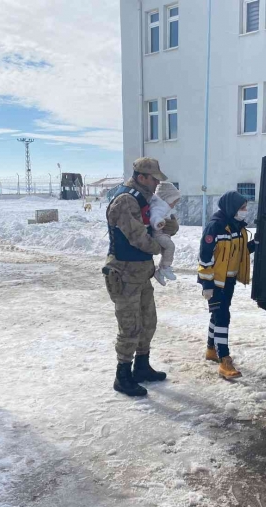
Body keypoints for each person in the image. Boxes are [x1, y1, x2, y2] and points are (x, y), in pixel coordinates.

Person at [104, 157, 179, 397]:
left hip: (141, 272)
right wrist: (161, 246)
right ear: (141, 176)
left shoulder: (148, 199)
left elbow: (171, 227)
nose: (157, 184)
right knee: (129, 326)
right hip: (124, 273)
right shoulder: (126, 200)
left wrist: (167, 222)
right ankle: (122, 375)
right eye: (154, 179)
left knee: (148, 322)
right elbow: (138, 238)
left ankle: (142, 366)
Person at [198, 192, 256, 380]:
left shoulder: (237, 227)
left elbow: (241, 251)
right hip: (214, 282)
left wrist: (255, 243)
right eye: (242, 208)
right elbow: (205, 257)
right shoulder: (215, 227)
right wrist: (207, 283)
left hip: (228, 280)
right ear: (232, 208)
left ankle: (210, 349)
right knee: (223, 316)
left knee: (218, 314)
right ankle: (224, 359)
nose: (245, 211)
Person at [149, 182, 182, 285]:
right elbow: (155, 216)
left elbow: (171, 218)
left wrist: (174, 224)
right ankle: (164, 268)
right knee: (170, 246)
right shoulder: (159, 206)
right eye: (173, 201)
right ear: (167, 198)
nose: (174, 205)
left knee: (167, 249)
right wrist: (159, 223)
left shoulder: (166, 207)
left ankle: (161, 271)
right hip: (158, 233)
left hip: (163, 233)